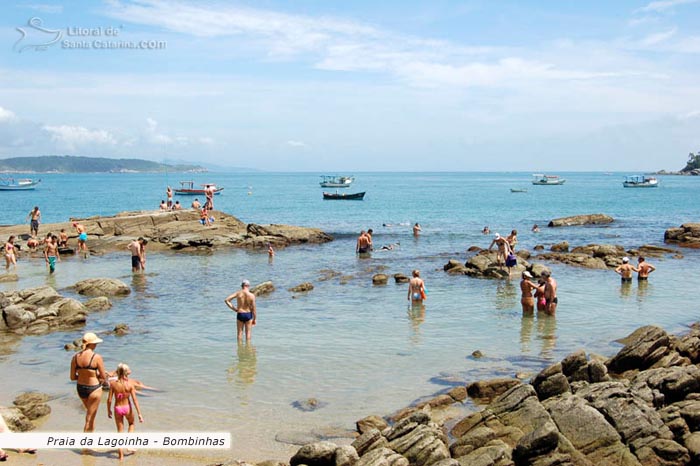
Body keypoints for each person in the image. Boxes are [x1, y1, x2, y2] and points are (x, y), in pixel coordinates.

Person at [70, 332, 107, 433]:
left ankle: (90, 439)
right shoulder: (96, 357)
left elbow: (73, 377)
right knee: (89, 418)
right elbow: (103, 377)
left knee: (90, 415)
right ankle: (85, 446)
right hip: (94, 388)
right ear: (92, 344)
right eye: (95, 343)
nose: (96, 345)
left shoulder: (75, 357)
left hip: (81, 388)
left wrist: (84, 375)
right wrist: (96, 375)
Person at [107, 363, 144, 461]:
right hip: (127, 408)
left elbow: (109, 399)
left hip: (117, 408)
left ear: (118, 372)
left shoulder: (113, 384)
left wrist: (108, 410)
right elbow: (135, 400)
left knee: (119, 432)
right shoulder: (130, 384)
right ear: (126, 373)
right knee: (131, 423)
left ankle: (121, 457)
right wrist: (140, 414)